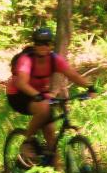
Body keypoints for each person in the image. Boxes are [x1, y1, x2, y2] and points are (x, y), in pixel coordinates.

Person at [5, 26, 95, 164]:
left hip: (38, 94)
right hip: (18, 94)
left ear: (51, 45)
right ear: (34, 45)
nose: (42, 46)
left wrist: (90, 87)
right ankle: (27, 142)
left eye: (46, 43)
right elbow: (22, 83)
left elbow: (72, 75)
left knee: (50, 133)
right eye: (39, 43)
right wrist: (38, 95)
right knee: (44, 108)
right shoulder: (26, 60)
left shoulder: (54, 59)